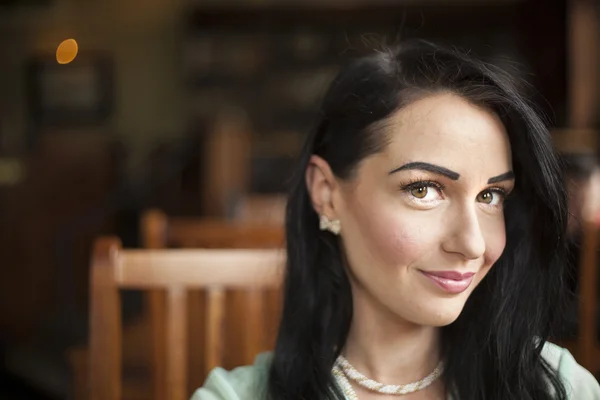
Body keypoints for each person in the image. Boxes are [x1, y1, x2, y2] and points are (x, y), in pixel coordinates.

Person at [191, 40, 600, 399]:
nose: (474, 244)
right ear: (327, 194)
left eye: (490, 196)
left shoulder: (557, 385)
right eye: (423, 189)